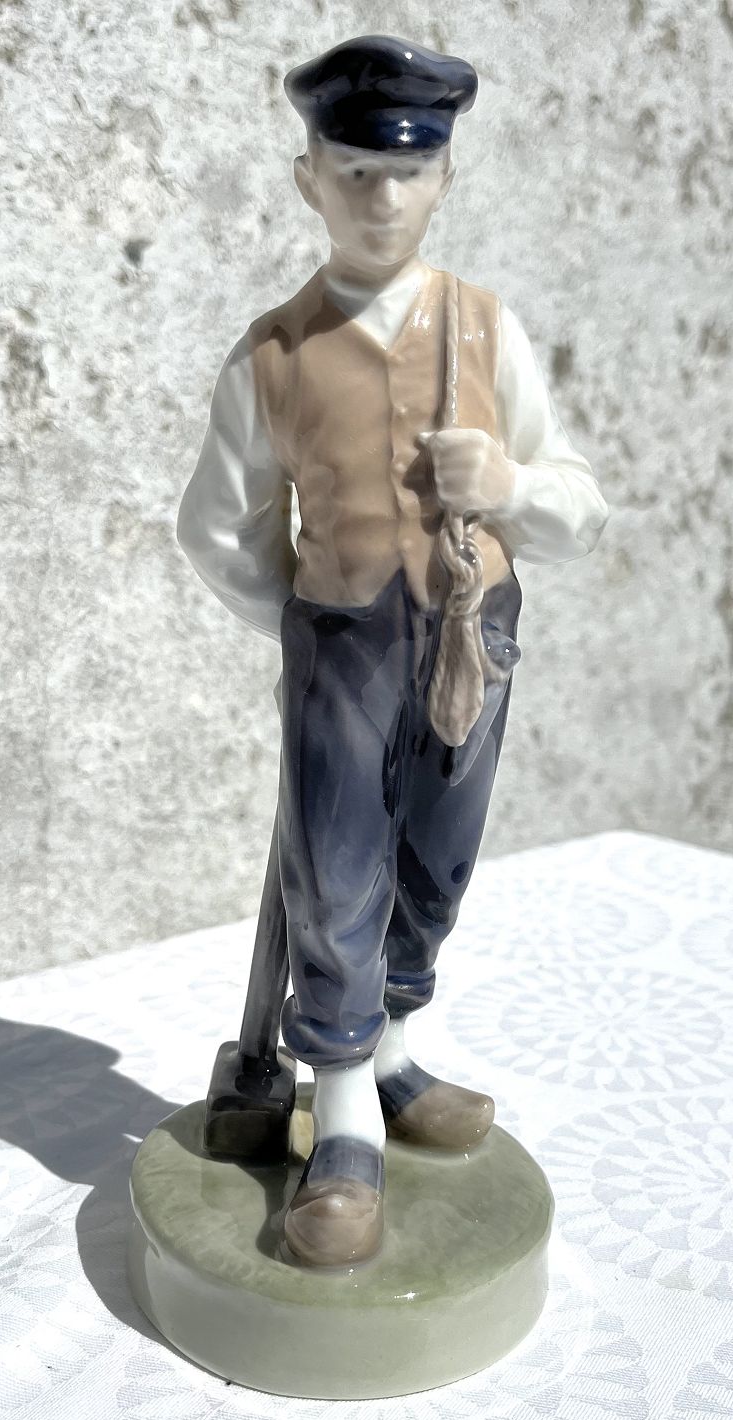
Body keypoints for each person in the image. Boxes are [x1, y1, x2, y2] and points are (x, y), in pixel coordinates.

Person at [177, 34, 607, 1267]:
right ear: (308, 180)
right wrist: (310, 619)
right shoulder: (273, 354)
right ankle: (347, 1122)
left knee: (439, 860)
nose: (382, 198)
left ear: (444, 180)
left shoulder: (487, 329)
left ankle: (395, 1054)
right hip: (345, 647)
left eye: (407, 172)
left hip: (476, 635)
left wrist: (510, 485)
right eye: (355, 171)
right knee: (337, 876)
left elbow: (578, 506)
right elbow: (217, 527)